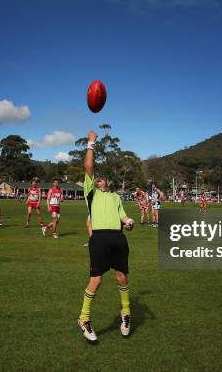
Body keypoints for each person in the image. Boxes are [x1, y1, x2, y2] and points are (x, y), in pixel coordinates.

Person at [77, 130, 134, 342]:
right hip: (99, 238)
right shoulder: (90, 193)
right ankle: (83, 319)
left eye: (102, 179)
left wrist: (128, 222)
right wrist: (91, 143)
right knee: (96, 280)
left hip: (118, 238)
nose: (99, 180)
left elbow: (122, 215)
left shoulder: (115, 197)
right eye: (96, 178)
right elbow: (89, 167)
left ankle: (126, 313)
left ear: (107, 183)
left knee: (122, 276)